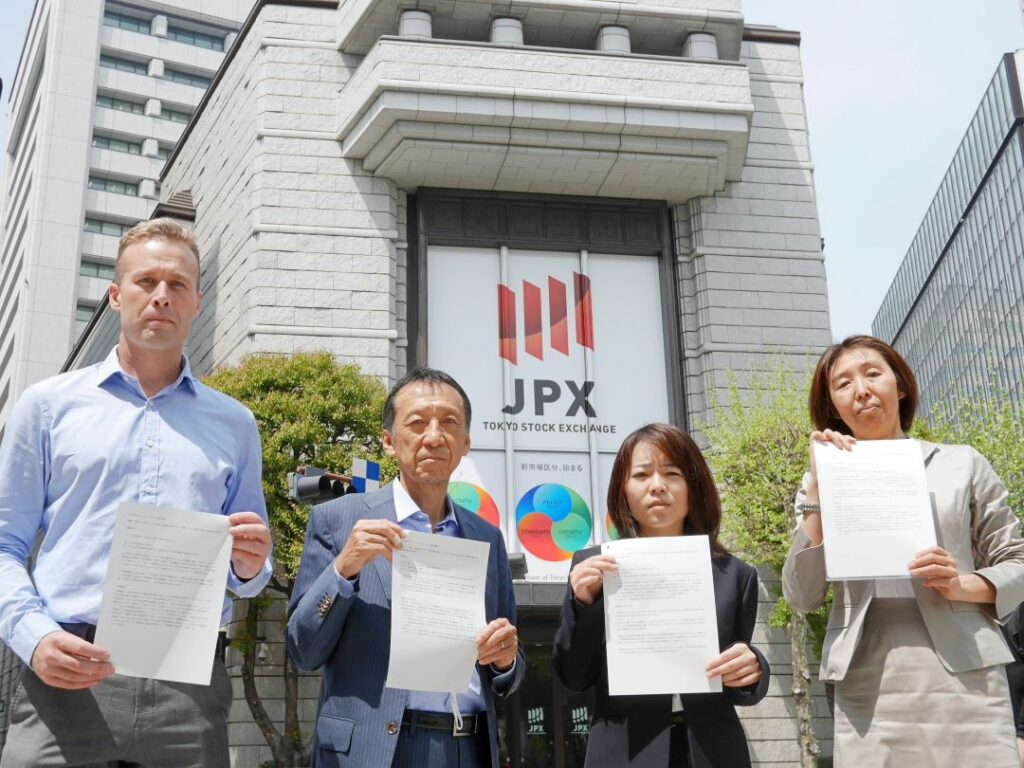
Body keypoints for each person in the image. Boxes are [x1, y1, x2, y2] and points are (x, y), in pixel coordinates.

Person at [0, 218, 273, 767]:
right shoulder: (47, 406)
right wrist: (32, 636)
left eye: (177, 285)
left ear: (197, 302)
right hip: (65, 673)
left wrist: (251, 564)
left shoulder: (236, 424)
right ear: (115, 295)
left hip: (187, 689)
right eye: (146, 281)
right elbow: (5, 543)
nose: (160, 297)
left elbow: (249, 575)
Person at [782, 334, 1024, 766]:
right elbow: (802, 596)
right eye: (842, 383)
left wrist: (963, 584)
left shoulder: (962, 463)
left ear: (901, 385)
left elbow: (1018, 563)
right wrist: (818, 485)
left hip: (965, 674)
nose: (861, 389)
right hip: (867, 680)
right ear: (833, 406)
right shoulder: (819, 482)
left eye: (872, 374)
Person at [287, 368, 525, 768]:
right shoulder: (338, 521)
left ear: (465, 442)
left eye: (449, 423)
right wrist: (343, 570)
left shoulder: (486, 536)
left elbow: (510, 673)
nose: (434, 436)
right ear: (388, 440)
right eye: (417, 423)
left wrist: (505, 660)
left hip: (467, 747)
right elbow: (302, 651)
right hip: (372, 751)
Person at [552, 423, 769, 768]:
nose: (657, 486)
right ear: (622, 491)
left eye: (672, 473)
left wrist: (753, 666)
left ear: (693, 487)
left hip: (711, 751)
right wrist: (583, 604)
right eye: (641, 475)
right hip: (625, 750)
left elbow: (737, 675)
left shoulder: (736, 575)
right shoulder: (593, 566)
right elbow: (573, 677)